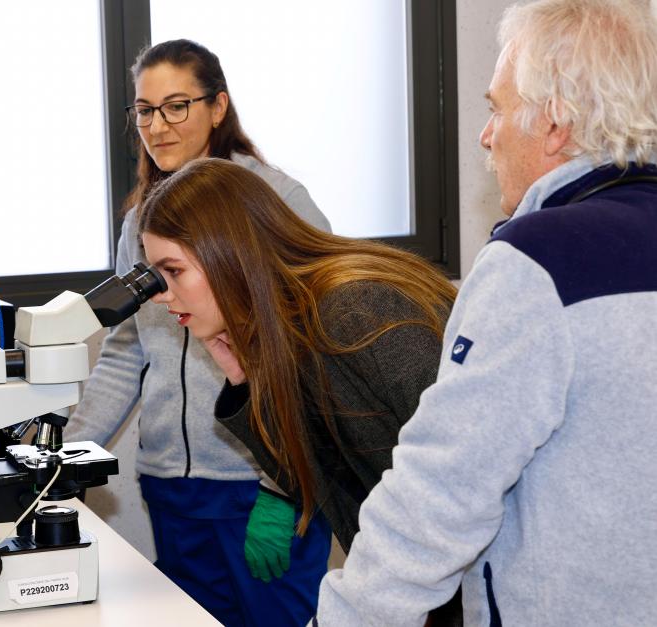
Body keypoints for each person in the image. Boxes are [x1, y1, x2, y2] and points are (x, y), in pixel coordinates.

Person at [313, 0, 657, 624]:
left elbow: (439, 493)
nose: (486, 134)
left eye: (496, 108)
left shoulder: (537, 260)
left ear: (554, 122)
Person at [65, 39, 333, 626]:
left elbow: (312, 361)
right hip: (174, 489)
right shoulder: (143, 220)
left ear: (218, 107)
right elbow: (124, 351)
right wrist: (68, 457)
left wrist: (283, 486)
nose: (157, 126)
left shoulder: (277, 202)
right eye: (144, 110)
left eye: (177, 105)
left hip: (258, 486)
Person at [136, 157, 459, 621]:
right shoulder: (287, 325)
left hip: (473, 569)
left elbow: (459, 473)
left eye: (174, 271)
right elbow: (317, 474)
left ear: (228, 251)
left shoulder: (359, 308)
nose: (162, 294)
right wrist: (245, 383)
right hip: (422, 571)